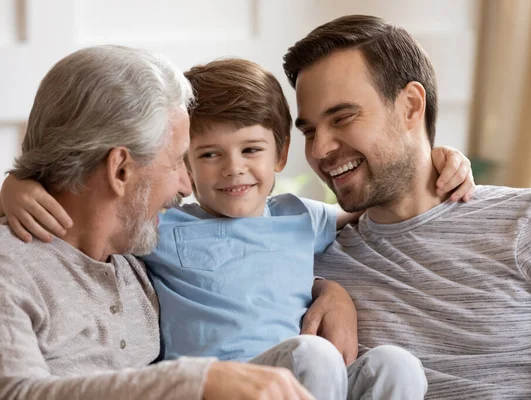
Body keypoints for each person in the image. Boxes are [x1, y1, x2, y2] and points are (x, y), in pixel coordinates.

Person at [0, 57, 475, 399]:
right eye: (183, 161)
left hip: (300, 373)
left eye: (251, 150)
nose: (187, 185)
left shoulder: (129, 260)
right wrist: (17, 183)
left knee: (392, 364)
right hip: (259, 375)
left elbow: (367, 210)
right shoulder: (21, 265)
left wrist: (330, 288)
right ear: (121, 170)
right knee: (312, 357)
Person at [279, 14, 531, 399]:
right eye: (309, 131)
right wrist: (323, 286)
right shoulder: (316, 257)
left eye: (343, 117)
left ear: (411, 107)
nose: (319, 150)